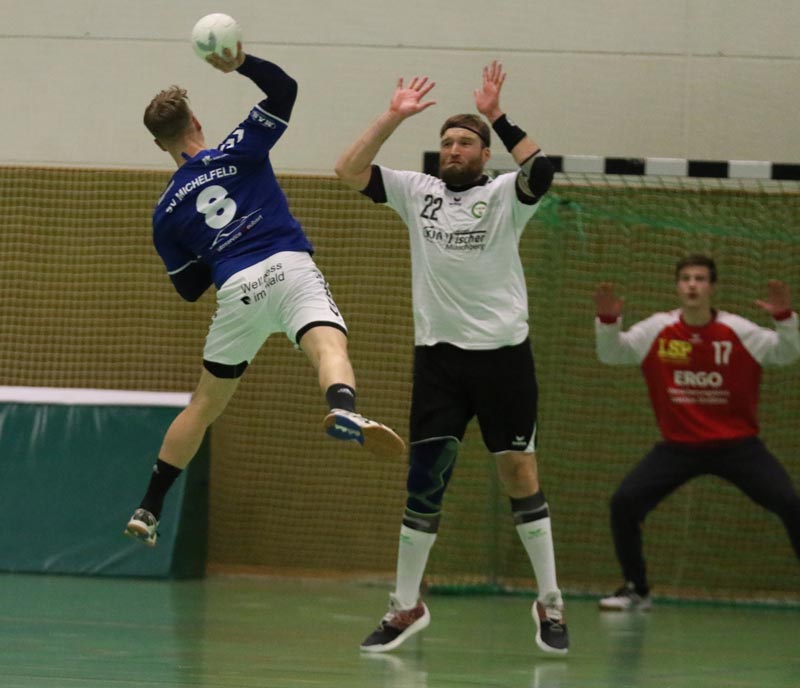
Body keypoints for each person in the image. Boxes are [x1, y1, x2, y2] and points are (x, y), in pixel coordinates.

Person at [124, 43, 404, 547]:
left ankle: (149, 506)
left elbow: (189, 288)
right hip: (289, 266)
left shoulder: (164, 213)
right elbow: (285, 90)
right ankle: (342, 406)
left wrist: (216, 249)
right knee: (329, 347)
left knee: (204, 405)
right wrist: (240, 63)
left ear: (157, 143)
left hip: (238, 291)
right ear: (196, 122)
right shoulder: (239, 148)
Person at [335, 61, 568, 655]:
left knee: (519, 473)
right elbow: (348, 170)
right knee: (423, 481)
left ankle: (550, 601)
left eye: (465, 143)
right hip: (439, 361)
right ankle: (405, 606)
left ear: (485, 155)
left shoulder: (505, 195)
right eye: (446, 143)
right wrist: (392, 116)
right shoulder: (417, 193)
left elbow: (541, 171)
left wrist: (496, 115)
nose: (453, 150)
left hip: (503, 360)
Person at [594, 255, 800, 610]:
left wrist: (784, 318)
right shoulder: (658, 329)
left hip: (738, 446)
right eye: (686, 278)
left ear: (712, 288)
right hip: (679, 447)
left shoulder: (738, 331)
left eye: (700, 279)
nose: (692, 285)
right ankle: (636, 589)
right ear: (677, 286)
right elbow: (613, 354)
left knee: (789, 503)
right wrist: (609, 322)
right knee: (624, 503)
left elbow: (786, 353)